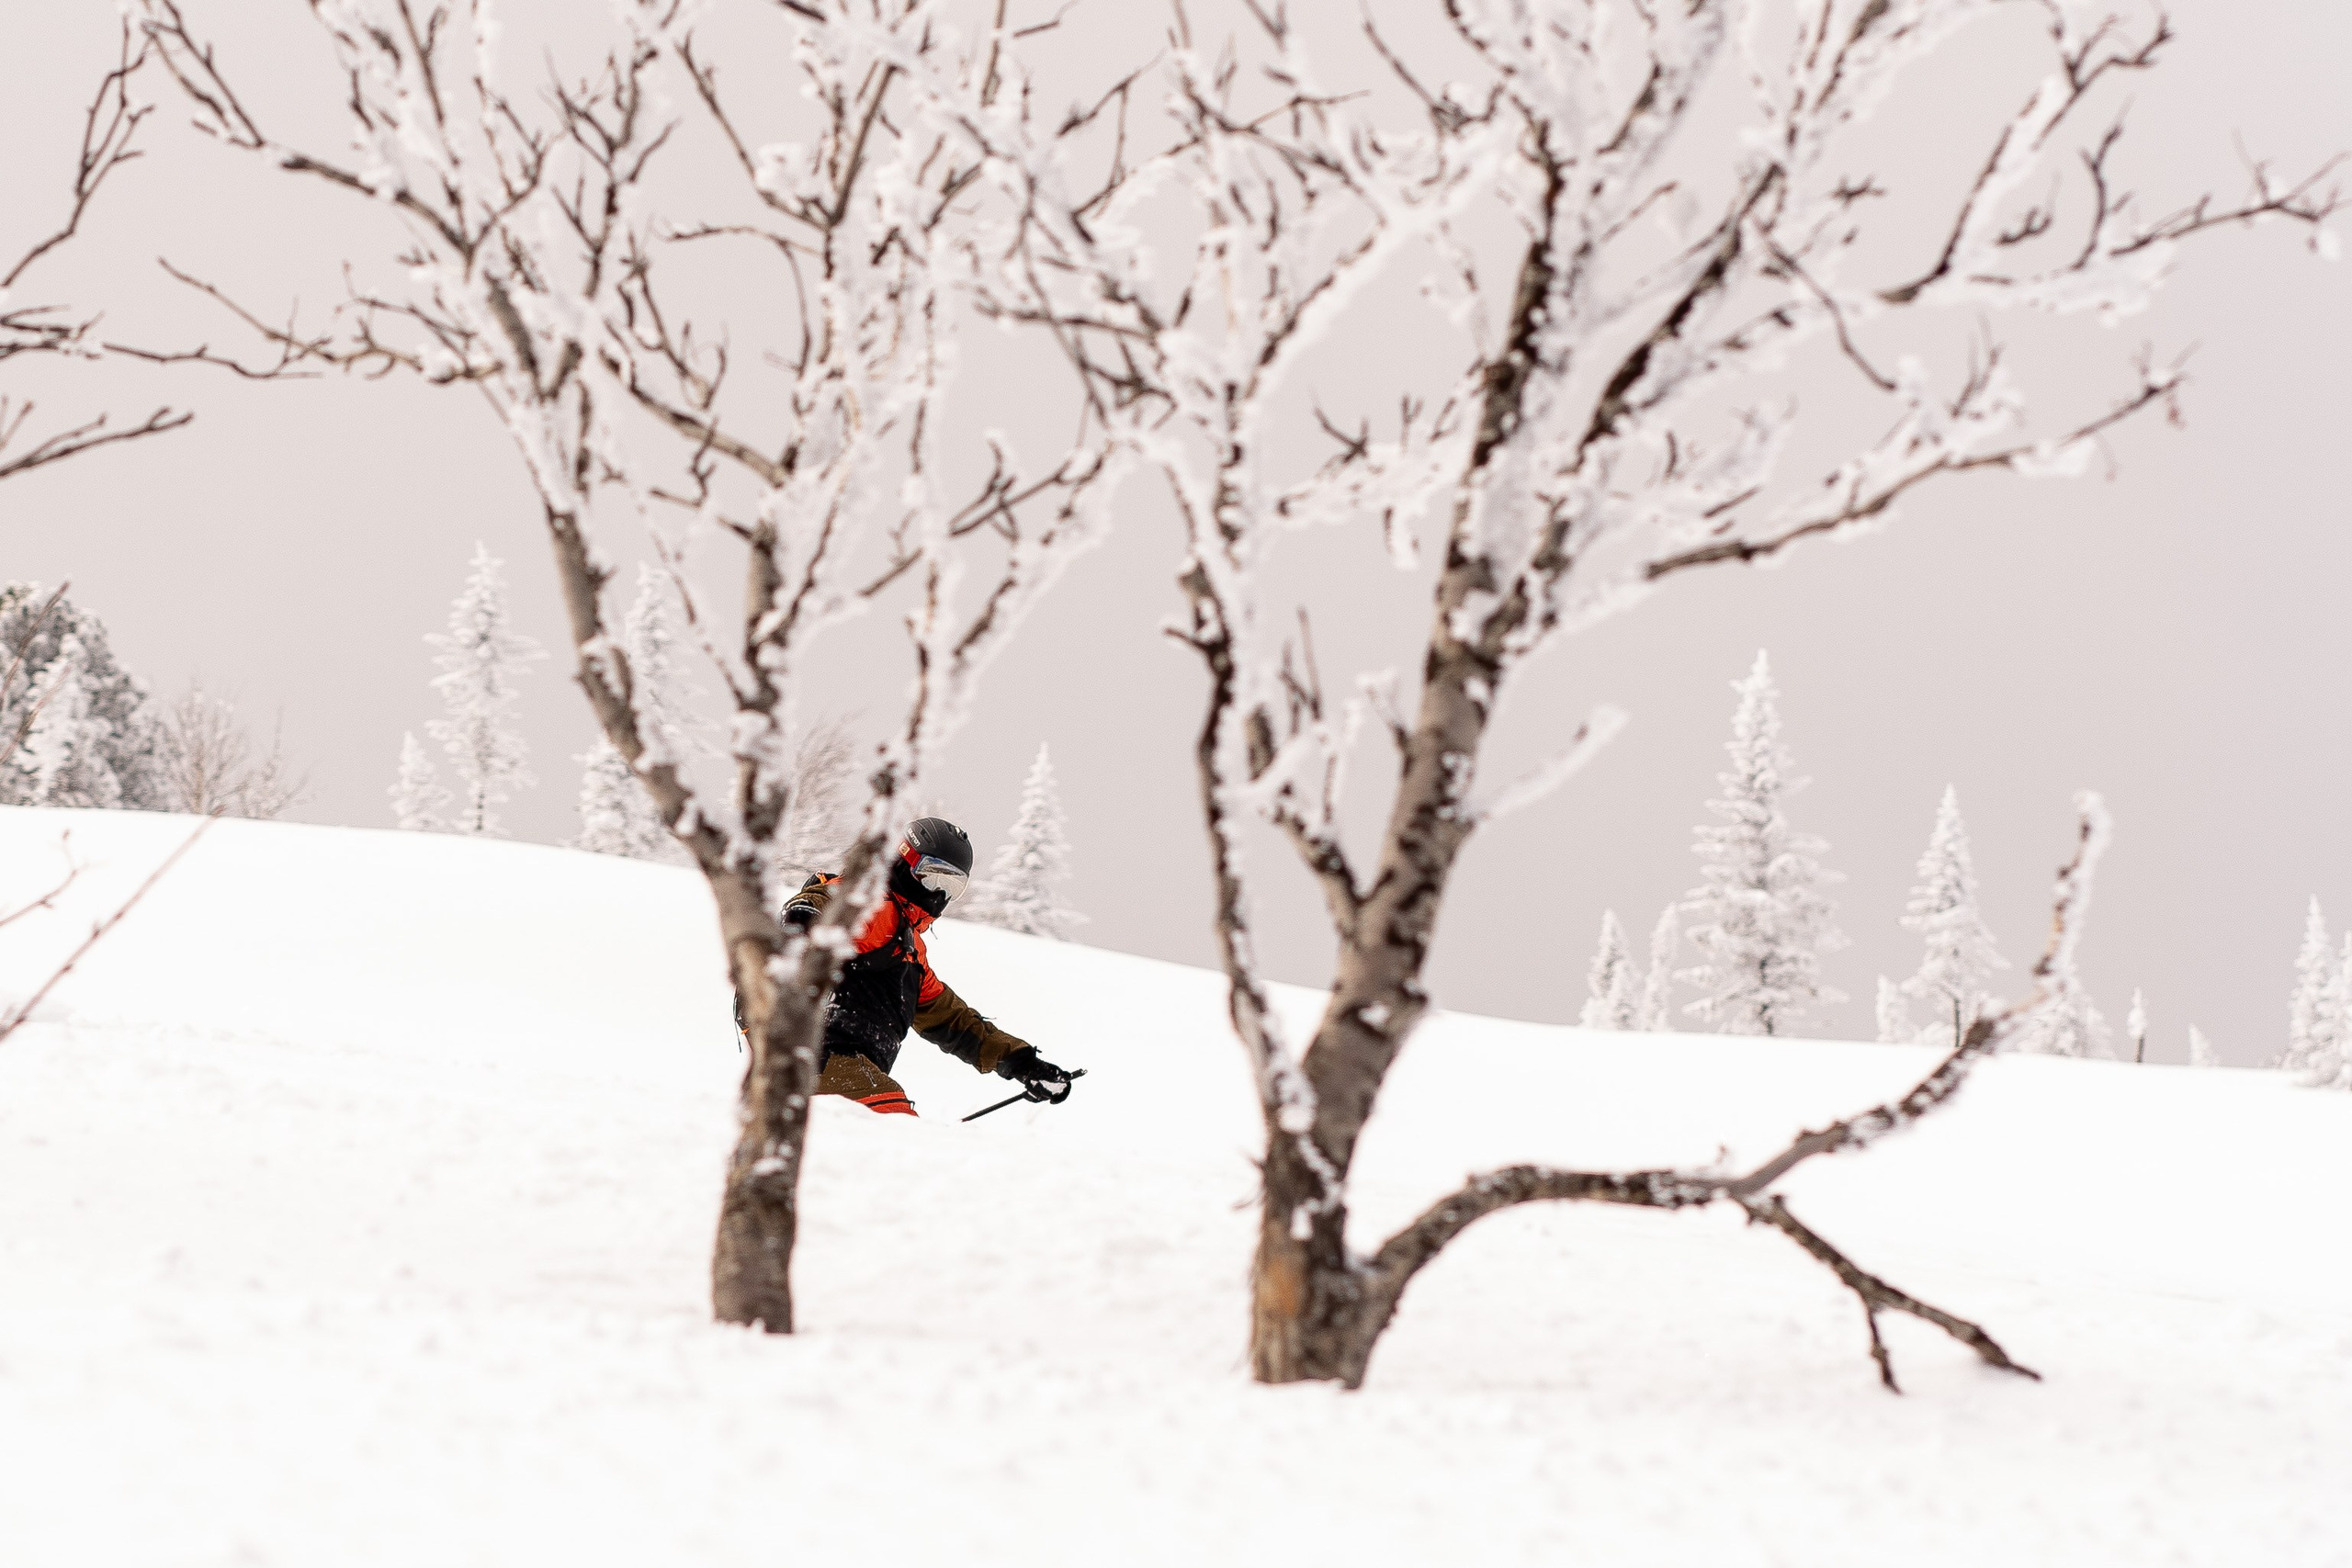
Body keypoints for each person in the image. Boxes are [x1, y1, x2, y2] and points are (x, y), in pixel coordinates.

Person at [764, 817, 1074, 1118]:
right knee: (896, 1128)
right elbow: (830, 900)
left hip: (838, 1064)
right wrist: (803, 919)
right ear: (905, 861)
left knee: (888, 1132)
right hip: (815, 1051)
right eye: (932, 877)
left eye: (952, 886)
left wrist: (1022, 1062)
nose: (939, 894)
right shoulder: (878, 905)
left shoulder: (909, 950)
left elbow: (955, 1021)